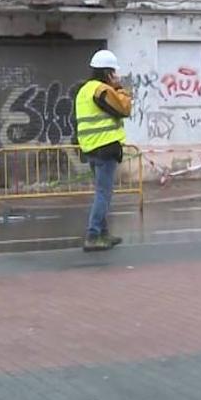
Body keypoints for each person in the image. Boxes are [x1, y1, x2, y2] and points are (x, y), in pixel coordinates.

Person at [74, 49, 133, 251]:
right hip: (105, 147)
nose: (116, 76)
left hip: (90, 147)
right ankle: (93, 235)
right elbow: (124, 108)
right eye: (114, 72)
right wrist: (120, 89)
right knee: (104, 194)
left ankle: (103, 234)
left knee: (102, 192)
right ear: (108, 72)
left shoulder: (84, 90)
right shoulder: (102, 90)